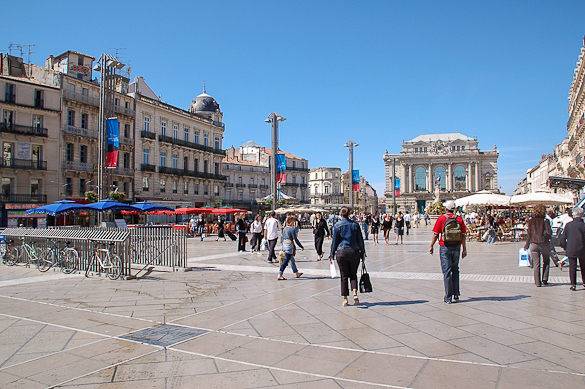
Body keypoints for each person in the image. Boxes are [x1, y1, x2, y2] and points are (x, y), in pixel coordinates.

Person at [429, 200, 467, 304]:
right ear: (454, 209)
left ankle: (448, 297)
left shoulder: (442, 218)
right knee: (455, 270)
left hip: (444, 247)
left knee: (447, 272)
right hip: (457, 247)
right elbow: (463, 235)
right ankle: (456, 294)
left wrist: (431, 245)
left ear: (446, 209)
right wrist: (464, 249)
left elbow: (436, 234)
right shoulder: (459, 219)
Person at [330, 207, 366, 307]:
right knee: (353, 274)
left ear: (341, 214)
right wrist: (363, 252)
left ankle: (345, 298)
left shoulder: (337, 225)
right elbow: (360, 240)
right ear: (349, 214)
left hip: (341, 252)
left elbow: (334, 242)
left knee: (344, 275)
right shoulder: (355, 224)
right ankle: (355, 293)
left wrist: (331, 254)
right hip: (354, 252)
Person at [524, 205, 552, 287]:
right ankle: (545, 279)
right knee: (546, 261)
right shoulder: (545, 220)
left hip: (533, 244)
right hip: (544, 244)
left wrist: (526, 245)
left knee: (536, 264)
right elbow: (549, 233)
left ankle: (537, 282)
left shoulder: (530, 221)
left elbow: (529, 234)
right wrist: (545, 238)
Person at [560, 207, 585, 291]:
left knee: (572, 267)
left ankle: (573, 284)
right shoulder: (583, 225)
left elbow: (563, 238)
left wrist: (565, 246)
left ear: (573, 215)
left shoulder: (568, 225)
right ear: (581, 215)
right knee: (583, 266)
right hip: (583, 248)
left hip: (571, 248)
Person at [278, 216, 303, 280]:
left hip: (284, 245)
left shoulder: (285, 228)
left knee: (292, 260)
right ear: (291, 222)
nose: (294, 223)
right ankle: (280, 274)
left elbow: (282, 237)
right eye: (293, 221)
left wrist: (282, 246)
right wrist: (301, 246)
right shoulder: (292, 229)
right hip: (289, 246)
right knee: (285, 262)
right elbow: (295, 239)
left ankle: (296, 273)